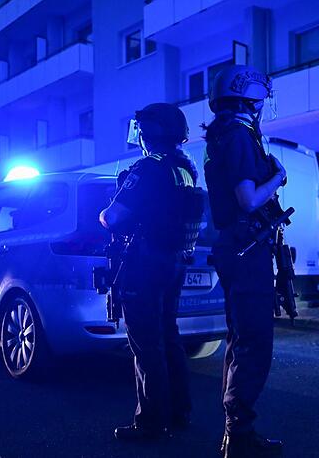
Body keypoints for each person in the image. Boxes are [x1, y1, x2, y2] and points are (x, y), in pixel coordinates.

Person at [99, 103, 204, 441]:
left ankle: (150, 422)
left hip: (144, 263)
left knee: (145, 344)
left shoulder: (147, 168)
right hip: (173, 261)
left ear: (148, 134)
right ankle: (179, 412)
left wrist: (106, 208)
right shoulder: (185, 168)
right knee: (168, 337)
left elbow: (112, 218)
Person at [202, 64, 283, 457]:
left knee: (240, 342)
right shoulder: (238, 137)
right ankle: (239, 437)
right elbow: (249, 199)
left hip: (237, 248)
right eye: (262, 98)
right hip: (246, 249)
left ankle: (238, 432)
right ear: (250, 97)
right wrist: (278, 178)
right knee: (253, 343)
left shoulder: (224, 135)